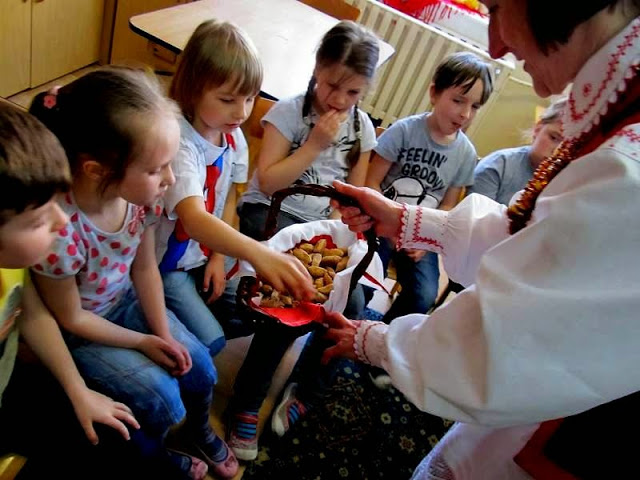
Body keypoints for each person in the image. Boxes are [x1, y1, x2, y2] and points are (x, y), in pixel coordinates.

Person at [322, 0, 640, 478]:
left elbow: (502, 349)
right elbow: (541, 243)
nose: (495, 45)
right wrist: (406, 219)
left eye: (495, 7)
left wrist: (381, 343)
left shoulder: (627, 166)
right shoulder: (617, 110)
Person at [28, 68, 239, 480]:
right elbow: (72, 318)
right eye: (158, 169)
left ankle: (197, 431)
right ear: (96, 170)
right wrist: (142, 341)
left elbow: (144, 269)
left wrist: (162, 333)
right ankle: (157, 455)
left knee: (200, 366)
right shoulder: (59, 229)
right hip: (83, 332)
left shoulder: (140, 197)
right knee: (162, 399)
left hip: (124, 302)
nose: (171, 179)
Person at [227, 20, 380, 461]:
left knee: (351, 304)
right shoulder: (289, 114)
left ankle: (305, 388)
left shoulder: (361, 129)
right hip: (272, 212)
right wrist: (313, 145)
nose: (339, 100)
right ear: (316, 68)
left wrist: (348, 218)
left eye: (353, 92)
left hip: (320, 226)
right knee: (292, 298)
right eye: (331, 85)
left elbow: (353, 193)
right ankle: (246, 402)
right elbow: (268, 181)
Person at [0, 102, 142, 478]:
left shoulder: (12, 265)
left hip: (11, 381)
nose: (63, 221)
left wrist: (78, 391)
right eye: (38, 219)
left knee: (116, 438)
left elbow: (33, 315)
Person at [158, 20, 314, 353]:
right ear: (192, 89)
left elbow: (229, 200)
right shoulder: (178, 142)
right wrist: (257, 252)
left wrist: (218, 256)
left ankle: (185, 319)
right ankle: (164, 323)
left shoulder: (232, 136)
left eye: (250, 98)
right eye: (228, 99)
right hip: (167, 265)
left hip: (203, 255)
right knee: (210, 341)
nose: (242, 112)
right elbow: (194, 219)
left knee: (255, 311)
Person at [365, 51, 492, 321]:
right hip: (381, 223)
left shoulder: (466, 154)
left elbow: (448, 206)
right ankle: (345, 325)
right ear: (434, 93)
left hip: (421, 234)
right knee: (365, 280)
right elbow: (372, 181)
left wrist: (425, 238)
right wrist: (389, 224)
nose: (465, 114)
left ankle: (384, 334)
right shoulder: (404, 130)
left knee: (423, 296)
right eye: (458, 100)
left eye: (475, 106)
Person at [468, 96, 566, 205]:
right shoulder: (499, 166)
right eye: (553, 138)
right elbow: (475, 213)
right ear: (538, 128)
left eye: (567, 147)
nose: (557, 152)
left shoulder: (569, 185)